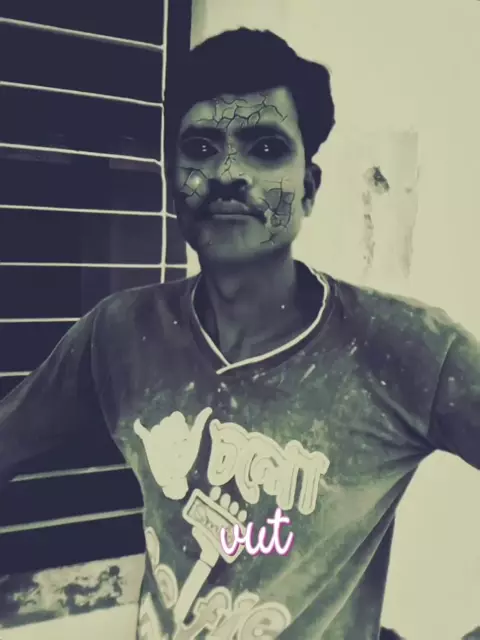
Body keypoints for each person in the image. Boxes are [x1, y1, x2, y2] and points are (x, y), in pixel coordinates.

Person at [1, 27, 479, 640]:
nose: (227, 173)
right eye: (201, 147)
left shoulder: (402, 347)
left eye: (266, 148)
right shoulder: (119, 335)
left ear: (309, 188)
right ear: (173, 180)